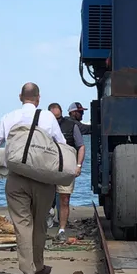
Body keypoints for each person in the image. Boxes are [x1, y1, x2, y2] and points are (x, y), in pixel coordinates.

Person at [0, 83, 67, 274]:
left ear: (20, 97)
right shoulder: (47, 117)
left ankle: (27, 271)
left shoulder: (9, 117)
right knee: (40, 224)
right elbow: (62, 144)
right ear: (38, 98)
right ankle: (38, 266)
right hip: (43, 179)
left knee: (22, 223)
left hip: (16, 178)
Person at [52, 103, 85, 240]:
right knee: (44, 197)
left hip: (66, 167)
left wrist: (78, 165)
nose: (81, 114)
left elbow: (81, 146)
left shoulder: (72, 126)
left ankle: (61, 228)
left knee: (64, 198)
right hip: (48, 167)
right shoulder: (43, 126)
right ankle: (47, 219)